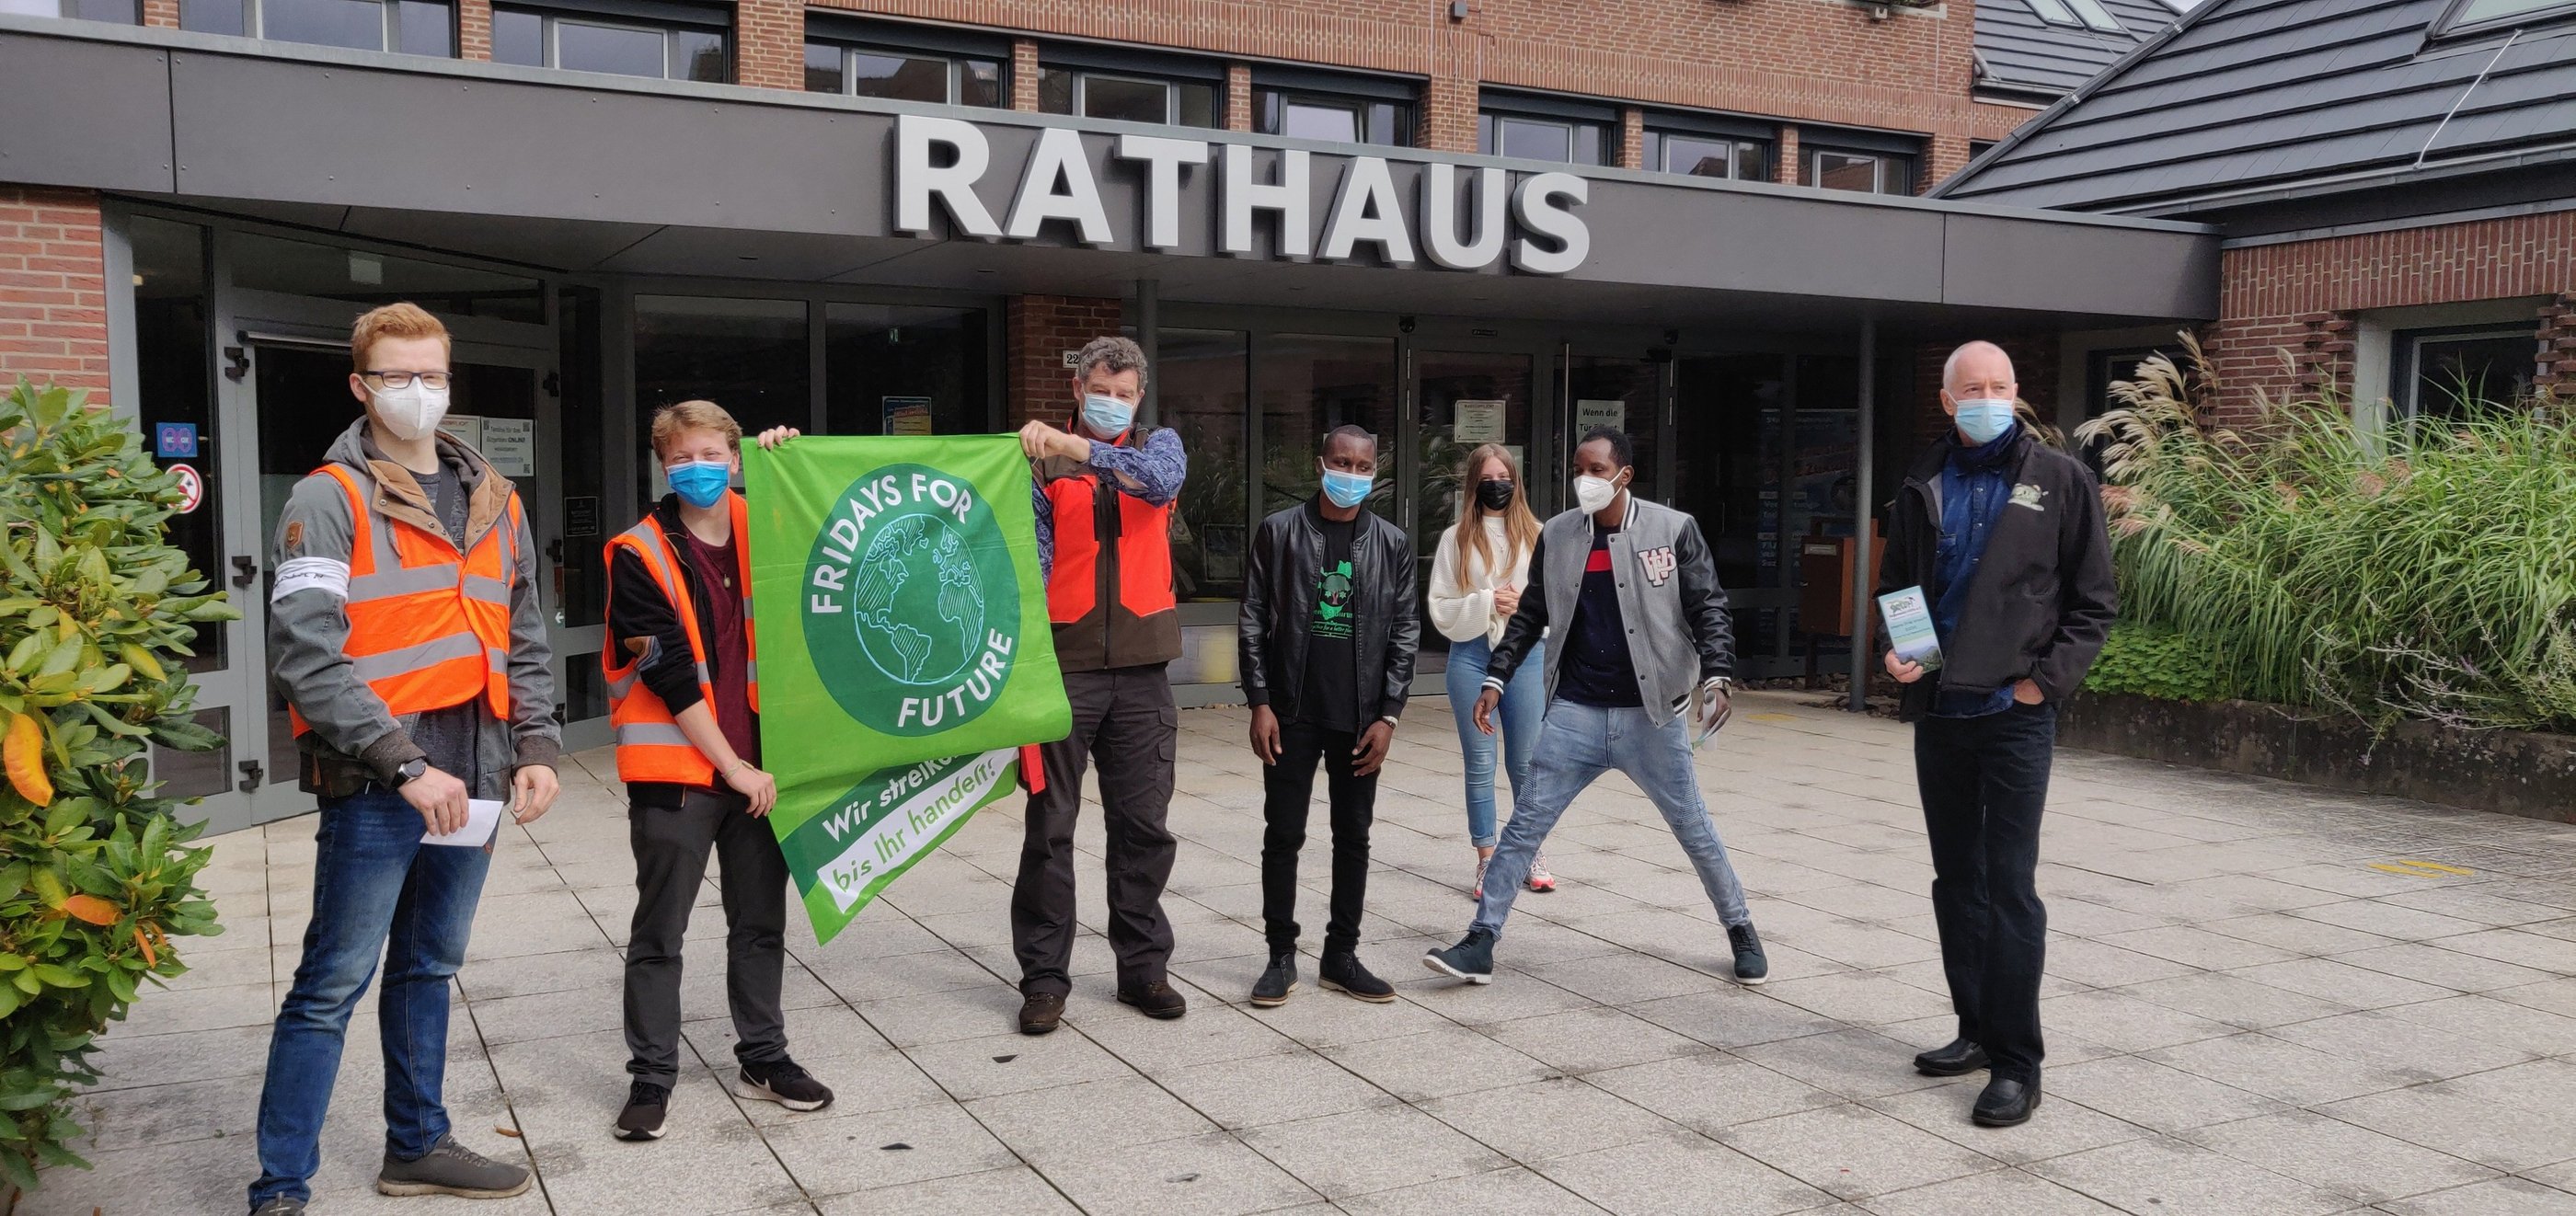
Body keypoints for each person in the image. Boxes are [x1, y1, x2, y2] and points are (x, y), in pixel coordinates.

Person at [251, 303, 560, 1216]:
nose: (416, 391)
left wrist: (536, 741)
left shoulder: (495, 498)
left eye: (432, 374)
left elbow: (526, 631)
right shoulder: (326, 496)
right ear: (361, 385)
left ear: (451, 382)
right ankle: (280, 1183)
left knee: (429, 963)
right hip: (383, 776)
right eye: (396, 376)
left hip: (478, 761)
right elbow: (307, 651)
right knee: (332, 979)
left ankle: (416, 1142)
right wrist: (403, 762)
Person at [1423, 428, 1768, 988]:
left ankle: (1741, 928)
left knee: (1693, 826)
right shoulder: (1557, 536)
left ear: (1624, 475)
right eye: (1578, 470)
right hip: (1575, 713)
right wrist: (1496, 677)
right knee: (1525, 824)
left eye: (1597, 470)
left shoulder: (1673, 530)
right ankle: (1481, 941)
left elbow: (1709, 607)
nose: (1585, 480)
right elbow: (1530, 615)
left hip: (1650, 714)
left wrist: (1719, 674)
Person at [1880, 341, 2115, 1129]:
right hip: (1941, 710)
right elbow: (1900, 586)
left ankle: (2019, 1063)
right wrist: (1901, 654)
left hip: (2013, 717)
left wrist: (2039, 685)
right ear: (1948, 401)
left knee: (2010, 889)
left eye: (2000, 385)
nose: (1988, 397)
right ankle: (1974, 1029)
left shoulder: (2060, 479)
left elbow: (2093, 604)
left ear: (2016, 392)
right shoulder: (1924, 478)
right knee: (1957, 882)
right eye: (1971, 388)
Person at [602, 402, 834, 1144]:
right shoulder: (636, 552)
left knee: (760, 924)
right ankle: (651, 1078)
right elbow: (668, 674)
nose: (695, 467)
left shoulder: (770, 520)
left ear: (734, 459)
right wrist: (732, 765)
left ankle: (764, 1058)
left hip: (766, 767)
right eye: (679, 457)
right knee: (659, 931)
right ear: (662, 464)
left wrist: (790, 462)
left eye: (710, 454)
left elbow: (845, 545)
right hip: (683, 771)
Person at [1010, 335, 1191, 1034]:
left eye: (1125, 392)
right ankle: (1045, 979)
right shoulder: (1039, 462)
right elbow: (1033, 561)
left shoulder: (1161, 447)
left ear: (1139, 397)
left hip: (1144, 675)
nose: (1113, 402)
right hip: (1065, 670)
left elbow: (1160, 485)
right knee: (1050, 830)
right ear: (1078, 389)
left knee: (1144, 829)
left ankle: (1143, 969)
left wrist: (1078, 447)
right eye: (1101, 390)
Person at [1237, 425, 1419, 1007]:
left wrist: (1389, 715)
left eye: (1362, 466)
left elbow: (1406, 630)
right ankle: (1280, 957)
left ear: (1375, 471)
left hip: (1361, 716)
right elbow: (1252, 618)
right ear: (1321, 463)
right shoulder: (1280, 531)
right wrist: (1260, 701)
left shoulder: (1391, 543)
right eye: (1342, 462)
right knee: (1283, 835)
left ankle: (1341, 956)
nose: (1351, 474)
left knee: (1354, 836)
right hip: (1292, 711)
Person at [1428, 443, 1554, 899]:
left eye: (1505, 476)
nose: (1497, 484)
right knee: (1480, 764)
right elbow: (1440, 608)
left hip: (1525, 657)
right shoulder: (1455, 538)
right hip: (1471, 655)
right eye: (1487, 478)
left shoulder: (1541, 534)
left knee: (1527, 762)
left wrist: (1526, 608)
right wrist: (1486, 602)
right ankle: (1486, 859)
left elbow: (1563, 601)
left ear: (1516, 480)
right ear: (1474, 485)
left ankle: (1528, 851)